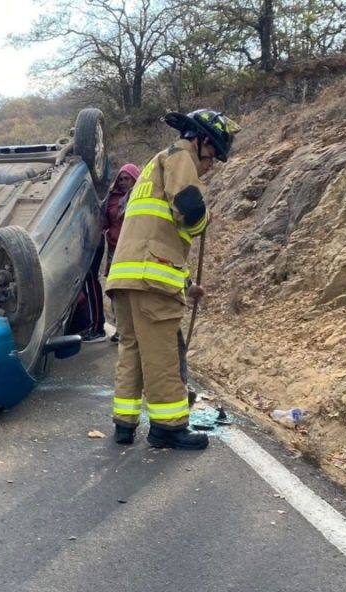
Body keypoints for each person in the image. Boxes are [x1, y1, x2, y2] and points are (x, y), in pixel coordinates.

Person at [105, 109, 238, 449]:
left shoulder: (153, 166)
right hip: (150, 281)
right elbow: (188, 208)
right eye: (213, 156)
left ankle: (124, 423)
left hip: (127, 278)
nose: (211, 165)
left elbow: (155, 238)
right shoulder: (181, 158)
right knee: (161, 354)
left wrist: (186, 284)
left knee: (133, 351)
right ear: (201, 140)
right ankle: (168, 428)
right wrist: (202, 221)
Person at [81, 164, 139, 343]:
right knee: (116, 290)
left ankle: (133, 328)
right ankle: (120, 328)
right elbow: (104, 221)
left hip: (133, 248)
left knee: (131, 288)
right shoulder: (112, 199)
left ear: (135, 179)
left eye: (126, 179)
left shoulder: (141, 196)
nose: (122, 183)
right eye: (120, 179)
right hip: (115, 249)